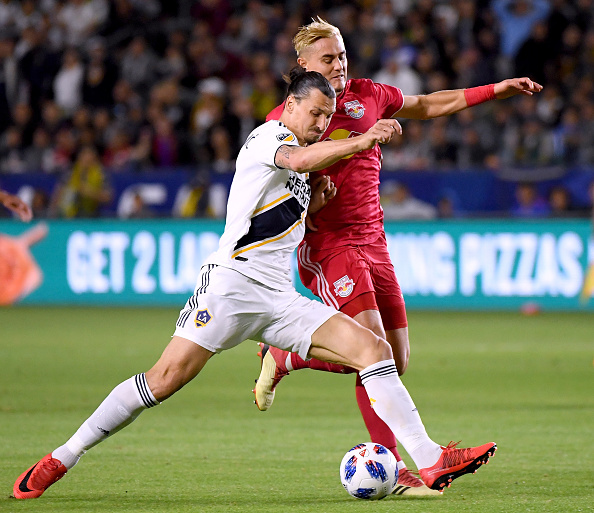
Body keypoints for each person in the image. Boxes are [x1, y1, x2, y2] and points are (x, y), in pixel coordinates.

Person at [13, 70, 496, 500]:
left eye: (328, 116)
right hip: (230, 289)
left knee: (374, 350)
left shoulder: (305, 170)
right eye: (314, 113)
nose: (320, 123)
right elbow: (301, 160)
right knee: (162, 381)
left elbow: (282, 218)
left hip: (279, 298)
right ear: (290, 106)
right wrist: (361, 139)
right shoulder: (269, 137)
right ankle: (63, 456)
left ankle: (430, 459)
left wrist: (321, 203)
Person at [254, 17, 540, 496]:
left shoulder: (369, 93)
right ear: (302, 65)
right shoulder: (288, 121)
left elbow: (428, 104)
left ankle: (285, 357)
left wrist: (497, 90)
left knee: (395, 360)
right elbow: (285, 178)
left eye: (342, 54)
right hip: (330, 245)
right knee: (371, 352)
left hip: (375, 241)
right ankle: (403, 470)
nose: (339, 65)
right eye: (328, 58)